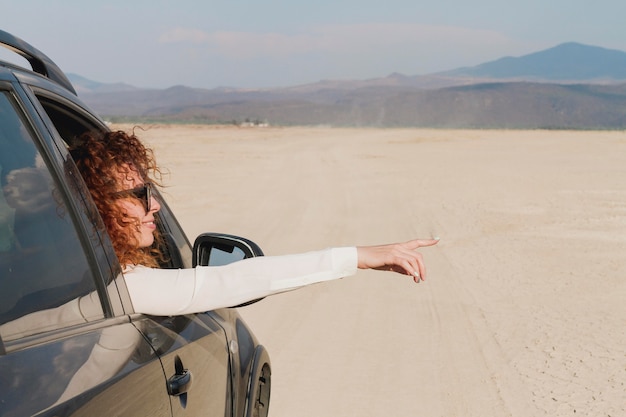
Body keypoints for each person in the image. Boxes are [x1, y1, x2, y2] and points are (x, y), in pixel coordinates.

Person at [68, 130, 439, 315]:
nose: (155, 207)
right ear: (95, 206)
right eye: (138, 195)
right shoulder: (121, 289)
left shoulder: (73, 282)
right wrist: (356, 256)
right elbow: (235, 278)